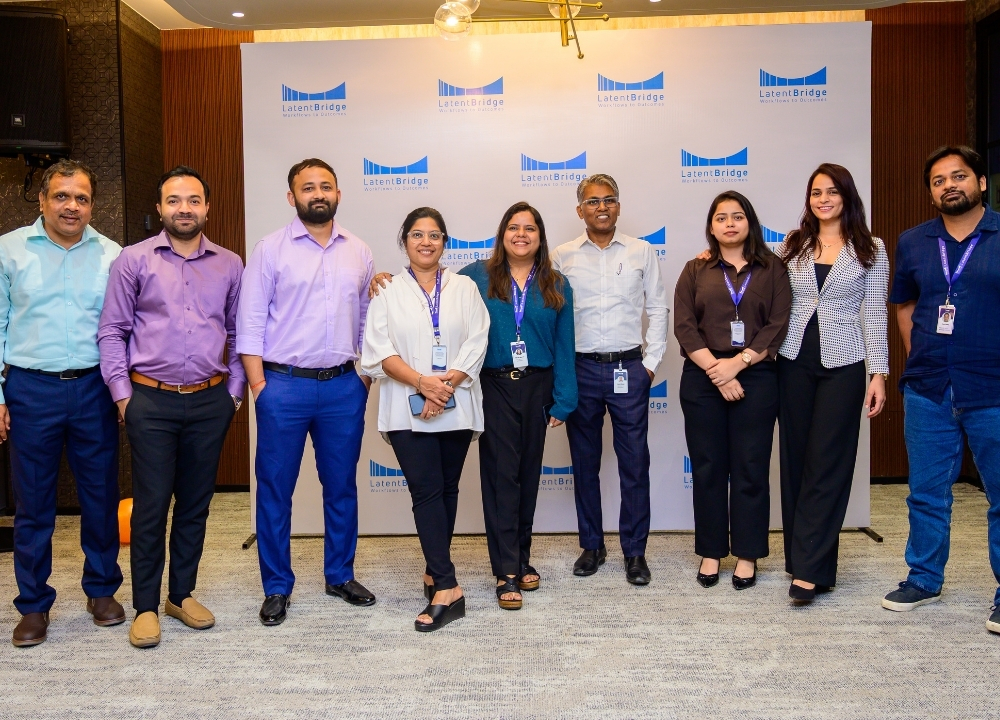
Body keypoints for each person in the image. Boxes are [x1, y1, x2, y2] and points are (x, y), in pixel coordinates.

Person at [98, 166, 245, 648]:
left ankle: (180, 595)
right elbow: (112, 332)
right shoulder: (133, 260)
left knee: (196, 505)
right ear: (160, 208)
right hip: (149, 401)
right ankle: (145, 605)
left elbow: (240, 332)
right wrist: (123, 397)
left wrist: (234, 393)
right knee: (151, 506)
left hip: (210, 400)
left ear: (207, 207)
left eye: (194, 200)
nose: (185, 208)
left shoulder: (230, 264)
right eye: (175, 200)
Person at [237, 158, 376, 626]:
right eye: (308, 187)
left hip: (342, 388)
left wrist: (364, 377)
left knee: (341, 488)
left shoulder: (359, 250)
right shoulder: (270, 250)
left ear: (338, 194)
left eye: (326, 186)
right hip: (283, 387)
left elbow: (366, 322)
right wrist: (260, 387)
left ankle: (340, 574)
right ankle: (277, 586)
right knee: (275, 491)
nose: (318, 194)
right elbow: (250, 323)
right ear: (291, 196)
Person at [0, 160, 124, 647]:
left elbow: (120, 332)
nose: (72, 206)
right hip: (30, 389)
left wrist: (120, 389)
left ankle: (101, 591)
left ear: (92, 204)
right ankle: (33, 605)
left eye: (81, 198)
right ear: (42, 200)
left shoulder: (113, 255)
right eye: (61, 196)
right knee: (33, 505)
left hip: (93, 387)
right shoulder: (9, 251)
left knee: (100, 498)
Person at [882, 146, 1000, 634]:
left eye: (959, 176)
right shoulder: (913, 242)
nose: (949, 185)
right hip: (928, 388)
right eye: (938, 180)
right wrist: (919, 356)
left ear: (981, 183)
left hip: (993, 387)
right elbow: (904, 304)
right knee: (926, 492)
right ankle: (924, 577)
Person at [361, 207, 489, 631]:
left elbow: (478, 338)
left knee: (447, 488)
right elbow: (378, 352)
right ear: (404, 242)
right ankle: (449, 587)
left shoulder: (465, 287)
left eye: (435, 235)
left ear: (445, 242)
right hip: (405, 408)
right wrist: (423, 384)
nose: (426, 242)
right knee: (427, 491)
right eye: (417, 235)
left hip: (455, 403)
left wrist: (443, 385)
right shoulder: (388, 291)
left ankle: (436, 571)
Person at [776, 164, 889, 604]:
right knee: (796, 461)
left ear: (847, 196)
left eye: (831, 191)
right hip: (793, 359)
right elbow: (753, 268)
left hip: (844, 362)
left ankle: (812, 569)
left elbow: (875, 312)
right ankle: (804, 562)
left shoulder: (871, 247)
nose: (823, 198)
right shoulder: (793, 245)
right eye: (815, 192)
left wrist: (878, 373)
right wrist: (712, 254)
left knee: (829, 463)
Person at [550, 174, 669, 585]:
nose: (602, 207)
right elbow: (552, 315)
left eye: (610, 200)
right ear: (579, 209)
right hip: (580, 369)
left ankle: (635, 552)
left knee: (635, 464)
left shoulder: (642, 251)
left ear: (619, 206)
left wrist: (649, 364)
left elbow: (657, 307)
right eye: (592, 201)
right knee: (584, 464)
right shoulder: (561, 255)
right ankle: (592, 544)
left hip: (628, 369)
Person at [460, 202, 577, 609]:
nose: (521, 234)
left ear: (540, 237)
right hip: (494, 385)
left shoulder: (556, 283)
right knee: (500, 478)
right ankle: (506, 570)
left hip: (538, 387)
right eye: (513, 227)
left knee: (527, 476)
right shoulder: (476, 275)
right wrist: (388, 278)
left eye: (530, 228)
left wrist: (565, 399)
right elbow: (431, 289)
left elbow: (565, 344)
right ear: (502, 233)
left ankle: (521, 556)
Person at [673, 191, 791, 590]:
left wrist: (738, 365)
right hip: (703, 378)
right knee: (707, 469)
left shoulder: (773, 267)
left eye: (737, 216)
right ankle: (710, 551)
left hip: (755, 375)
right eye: (720, 218)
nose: (729, 223)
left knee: (751, 468)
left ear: (749, 223)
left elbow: (778, 322)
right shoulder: (695, 269)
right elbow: (684, 325)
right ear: (711, 226)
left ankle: (747, 554)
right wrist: (716, 370)